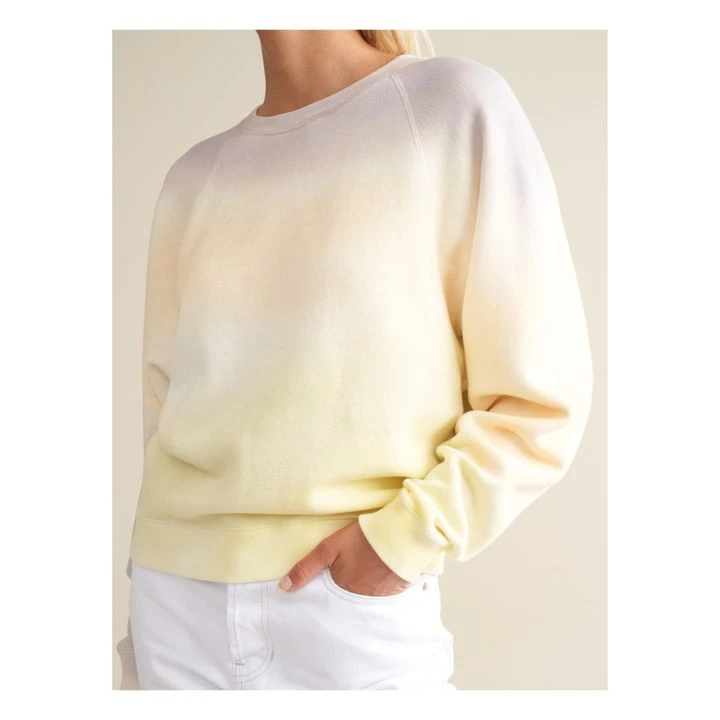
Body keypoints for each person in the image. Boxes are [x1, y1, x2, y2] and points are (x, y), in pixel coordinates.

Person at [116, 29, 594, 691]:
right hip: (175, 607)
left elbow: (540, 400)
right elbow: (165, 412)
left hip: (347, 611)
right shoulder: (192, 178)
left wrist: (403, 541)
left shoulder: (449, 107)